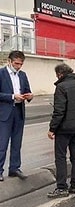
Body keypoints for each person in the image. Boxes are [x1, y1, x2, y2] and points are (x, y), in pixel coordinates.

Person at [47, 63, 75, 198]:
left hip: (64, 128)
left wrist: (52, 128)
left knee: (60, 156)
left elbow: (59, 111)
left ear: (60, 74)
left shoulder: (61, 87)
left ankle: (61, 187)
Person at [0, 50, 33, 182]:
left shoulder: (23, 75)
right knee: (2, 144)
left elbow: (27, 90)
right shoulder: (1, 74)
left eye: (21, 64)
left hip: (19, 111)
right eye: (16, 63)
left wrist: (30, 96)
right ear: (9, 61)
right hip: (5, 113)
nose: (18, 66)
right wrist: (12, 96)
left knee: (17, 143)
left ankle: (14, 168)